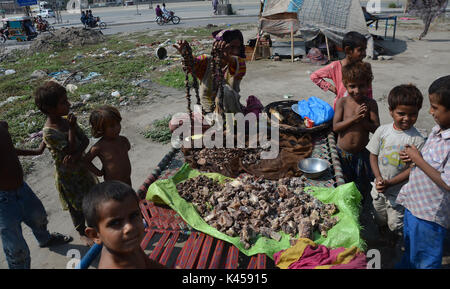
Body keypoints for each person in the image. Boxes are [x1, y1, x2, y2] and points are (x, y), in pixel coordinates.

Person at [0, 120, 72, 269]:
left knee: (38, 217)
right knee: (16, 247)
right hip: (3, 202)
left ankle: (45, 239)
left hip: (21, 188)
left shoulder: (2, 125)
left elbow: (9, 150)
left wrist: (37, 151)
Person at [34, 81, 98, 246]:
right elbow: (69, 149)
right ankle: (82, 232)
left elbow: (84, 140)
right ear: (49, 108)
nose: (68, 104)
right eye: (63, 102)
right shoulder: (49, 132)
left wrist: (77, 154)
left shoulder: (66, 120)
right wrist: (71, 130)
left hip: (82, 170)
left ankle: (94, 227)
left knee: (91, 199)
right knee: (76, 206)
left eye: (66, 100)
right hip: (68, 177)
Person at [395, 75, 450, 269]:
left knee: (425, 259)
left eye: (435, 107)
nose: (430, 111)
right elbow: (429, 164)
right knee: (411, 250)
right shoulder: (438, 130)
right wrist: (415, 159)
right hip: (414, 205)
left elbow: (447, 182)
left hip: (429, 215)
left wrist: (418, 159)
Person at [366, 84, 425, 248]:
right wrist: (378, 178)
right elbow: (373, 155)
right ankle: (383, 233)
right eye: (401, 113)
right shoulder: (382, 131)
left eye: (413, 114)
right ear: (391, 111)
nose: (407, 118)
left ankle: (395, 240)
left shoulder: (417, 140)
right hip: (379, 188)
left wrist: (390, 183)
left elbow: (414, 169)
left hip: (400, 193)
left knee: (396, 222)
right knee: (379, 215)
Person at [83, 181, 166, 269]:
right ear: (95, 235)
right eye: (115, 223)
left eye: (133, 216)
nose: (129, 227)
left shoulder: (129, 245)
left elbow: (148, 263)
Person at [332, 61, 380, 200]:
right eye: (352, 86)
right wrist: (354, 118)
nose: (357, 91)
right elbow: (335, 127)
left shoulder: (370, 104)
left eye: (361, 86)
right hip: (342, 153)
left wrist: (363, 121)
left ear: (368, 84)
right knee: (343, 185)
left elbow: (377, 129)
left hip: (361, 154)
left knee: (362, 186)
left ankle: (361, 209)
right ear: (346, 84)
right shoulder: (342, 102)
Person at [173, 29, 247, 114]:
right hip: (208, 112)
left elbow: (235, 62)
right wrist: (185, 54)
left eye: (238, 47)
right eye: (231, 47)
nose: (235, 51)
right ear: (219, 45)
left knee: (225, 91)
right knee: (174, 124)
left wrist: (225, 57)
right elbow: (191, 65)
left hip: (230, 113)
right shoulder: (206, 61)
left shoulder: (239, 64)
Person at [310, 31, 373, 110]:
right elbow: (314, 76)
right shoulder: (335, 66)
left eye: (365, 49)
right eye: (360, 50)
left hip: (361, 107)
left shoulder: (364, 67)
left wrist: (370, 107)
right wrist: (332, 88)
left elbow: (369, 89)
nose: (364, 53)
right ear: (348, 50)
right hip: (342, 109)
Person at [84, 106, 132, 186]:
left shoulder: (123, 140)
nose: (117, 128)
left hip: (127, 179)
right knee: (116, 198)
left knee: (129, 196)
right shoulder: (99, 147)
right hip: (112, 184)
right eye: (112, 126)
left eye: (118, 123)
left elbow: (127, 150)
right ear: (100, 129)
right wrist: (98, 172)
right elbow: (86, 161)